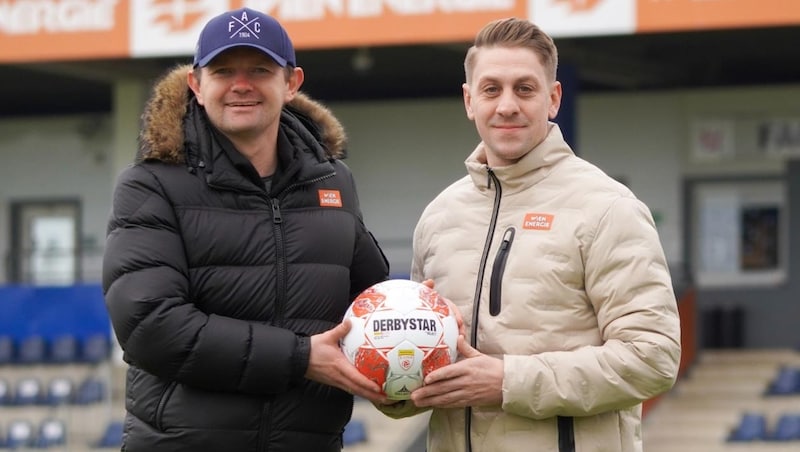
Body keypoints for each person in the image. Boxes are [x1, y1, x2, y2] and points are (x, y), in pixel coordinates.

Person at [377, 17, 682, 452]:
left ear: (553, 99)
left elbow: (653, 358)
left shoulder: (607, 207)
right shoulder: (439, 216)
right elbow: (432, 364)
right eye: (490, 89)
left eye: (524, 88)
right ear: (469, 101)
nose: (506, 106)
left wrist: (507, 381)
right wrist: (392, 384)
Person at [102, 7, 390, 452]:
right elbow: (150, 326)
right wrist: (300, 358)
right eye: (223, 71)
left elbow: (366, 296)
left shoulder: (332, 182)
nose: (241, 85)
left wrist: (412, 311)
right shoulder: (151, 184)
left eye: (259, 70)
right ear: (197, 85)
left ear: (291, 83)